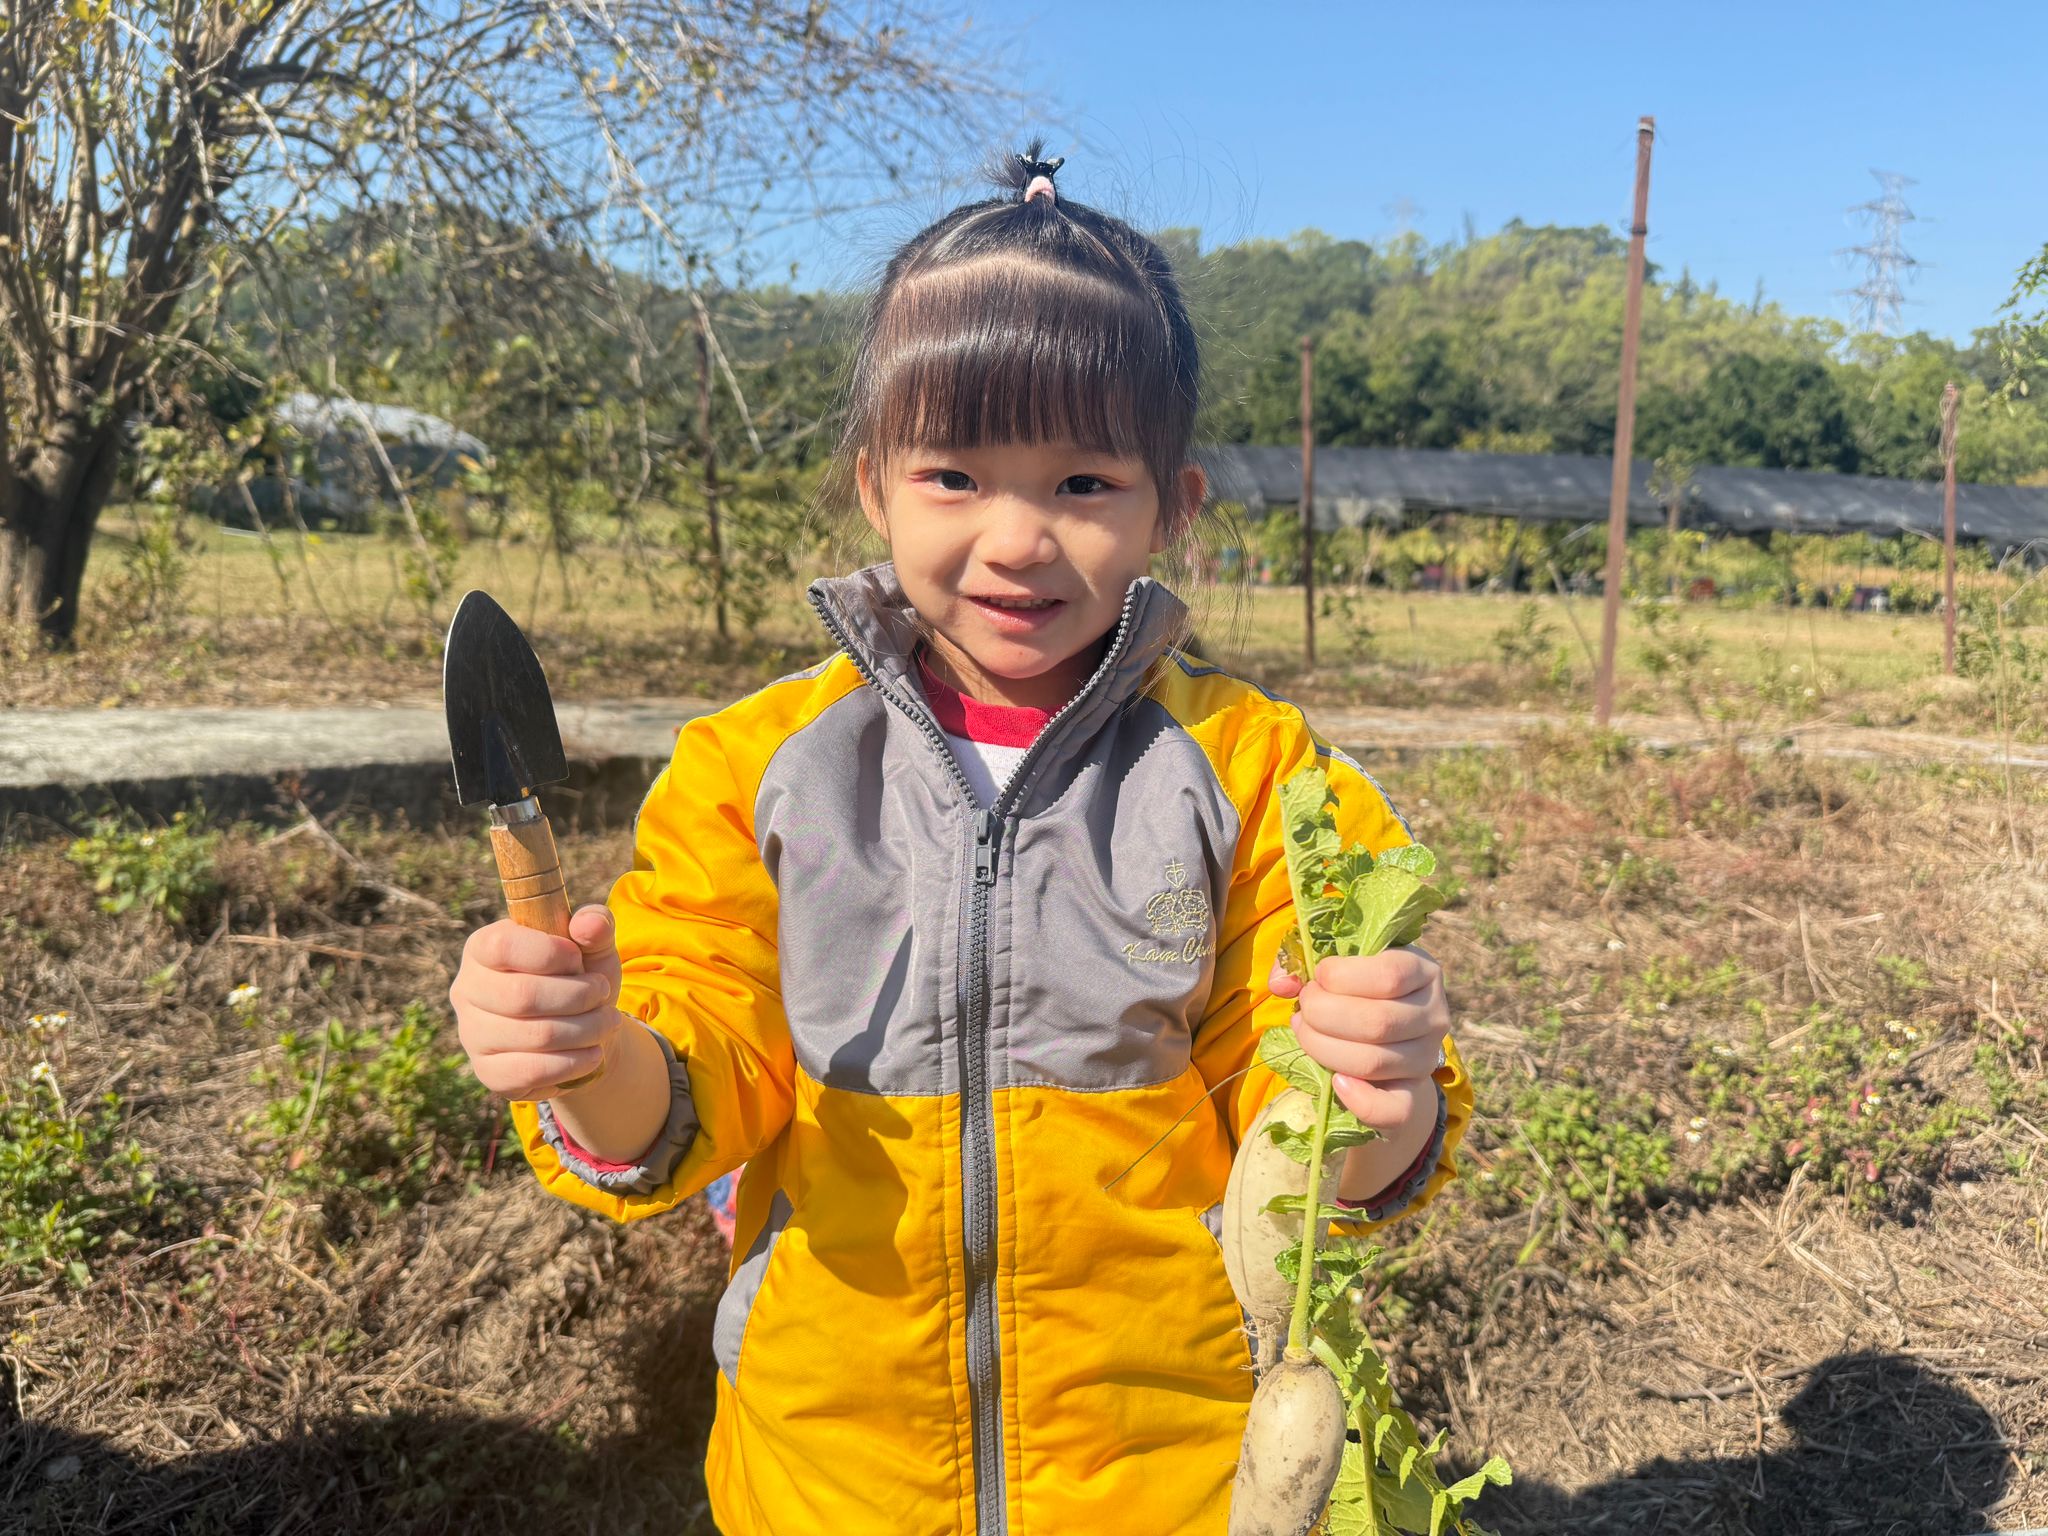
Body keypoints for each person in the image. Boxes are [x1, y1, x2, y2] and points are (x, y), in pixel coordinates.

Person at [447, 144, 1472, 1535]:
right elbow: (695, 1083)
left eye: (1084, 484)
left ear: (1173, 507)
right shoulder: (754, 770)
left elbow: (1301, 1160)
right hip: (832, 1476)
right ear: (874, 485)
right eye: (955, 475)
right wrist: (585, 1056)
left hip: (1167, 1474)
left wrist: (1378, 1092)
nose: (1017, 539)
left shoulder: (1259, 775)